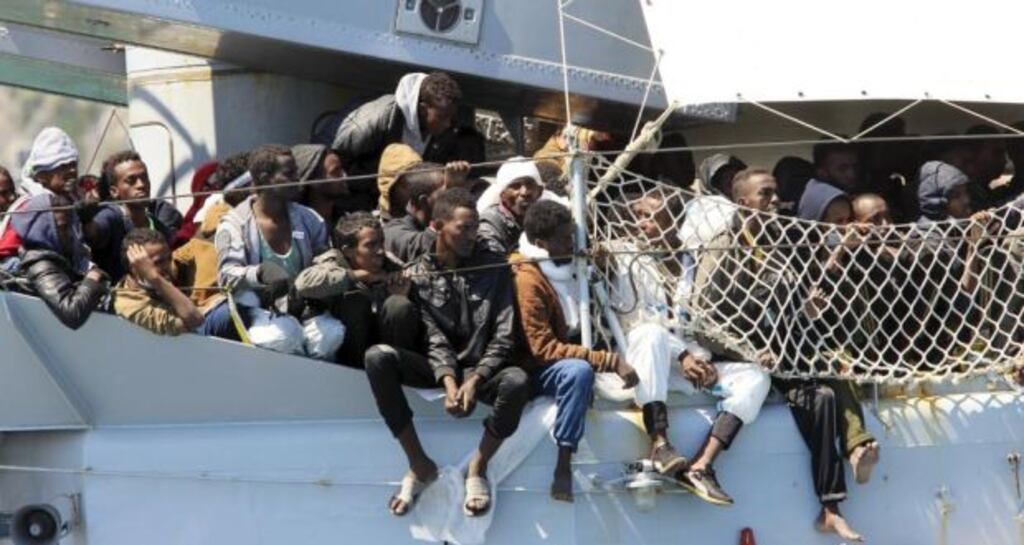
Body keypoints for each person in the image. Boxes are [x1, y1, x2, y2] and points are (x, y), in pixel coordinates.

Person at [363, 188, 529, 518]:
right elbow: (433, 337)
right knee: (377, 357)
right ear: (438, 227)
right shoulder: (419, 274)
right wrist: (450, 382)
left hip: (482, 368)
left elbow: (504, 334)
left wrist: (475, 380)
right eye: (463, 228)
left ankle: (478, 467)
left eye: (476, 227)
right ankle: (419, 463)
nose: (473, 235)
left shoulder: (494, 267)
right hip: (441, 367)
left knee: (518, 381)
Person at [609, 188, 771, 506]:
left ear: (675, 222)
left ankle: (701, 466)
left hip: (687, 369)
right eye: (638, 215)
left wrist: (700, 357)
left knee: (756, 377)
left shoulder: (694, 261)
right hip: (643, 367)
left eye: (650, 216)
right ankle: (660, 441)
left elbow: (700, 325)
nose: (641, 223)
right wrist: (682, 354)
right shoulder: (627, 258)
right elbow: (635, 327)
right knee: (651, 335)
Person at [512, 200, 639, 502]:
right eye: (563, 239)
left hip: (577, 345)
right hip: (536, 366)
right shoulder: (528, 278)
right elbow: (542, 349)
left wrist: (604, 263)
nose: (572, 243)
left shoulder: (572, 262)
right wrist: (607, 361)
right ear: (541, 243)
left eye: (572, 235)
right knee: (578, 372)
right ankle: (563, 463)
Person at [216, 145, 345, 359]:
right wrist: (260, 273)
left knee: (330, 334)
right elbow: (226, 275)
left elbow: (326, 257)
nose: (298, 177)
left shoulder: (310, 219)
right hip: (258, 311)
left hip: (303, 307)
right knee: (282, 337)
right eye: (289, 173)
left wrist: (319, 276)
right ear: (266, 178)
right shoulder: (234, 223)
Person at [294, 211, 420, 367]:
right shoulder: (333, 260)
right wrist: (358, 276)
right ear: (348, 250)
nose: (380, 251)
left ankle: (400, 370)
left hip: (381, 352)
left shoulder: (390, 265)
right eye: (371, 245)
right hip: (346, 351)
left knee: (398, 305)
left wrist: (400, 294)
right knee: (355, 302)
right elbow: (304, 283)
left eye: (381, 242)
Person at [331, 72, 463, 210]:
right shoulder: (373, 122)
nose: (448, 124)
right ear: (423, 109)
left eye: (451, 118)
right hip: (355, 204)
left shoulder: (439, 131)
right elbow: (338, 166)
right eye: (443, 117)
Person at [113, 228, 240, 339]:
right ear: (135, 267)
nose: (167, 266)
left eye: (168, 259)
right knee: (226, 315)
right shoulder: (130, 305)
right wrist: (154, 277)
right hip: (175, 349)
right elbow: (195, 320)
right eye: (158, 262)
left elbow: (197, 245)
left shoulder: (168, 269)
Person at [11, 194, 107, 329]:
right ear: (43, 229)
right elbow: (71, 313)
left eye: (70, 226)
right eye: (62, 228)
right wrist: (91, 280)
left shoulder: (61, 253)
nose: (69, 233)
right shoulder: (41, 265)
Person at [87, 151, 174, 282]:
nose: (141, 185)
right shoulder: (111, 216)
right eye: (131, 181)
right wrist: (86, 219)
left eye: (144, 178)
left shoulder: (158, 226)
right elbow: (94, 234)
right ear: (114, 191)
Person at [476, 159, 545, 255]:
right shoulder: (491, 222)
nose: (524, 192)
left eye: (530, 184)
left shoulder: (547, 216)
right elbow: (493, 261)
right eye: (516, 186)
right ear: (502, 194)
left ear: (540, 191)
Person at [293, 144, 348, 225]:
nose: (345, 176)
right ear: (313, 180)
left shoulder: (346, 222)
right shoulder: (295, 226)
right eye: (335, 172)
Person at [17, 127, 79, 198]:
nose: (72, 170)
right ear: (42, 175)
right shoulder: (30, 206)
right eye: (63, 166)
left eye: (73, 164)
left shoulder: (77, 199)